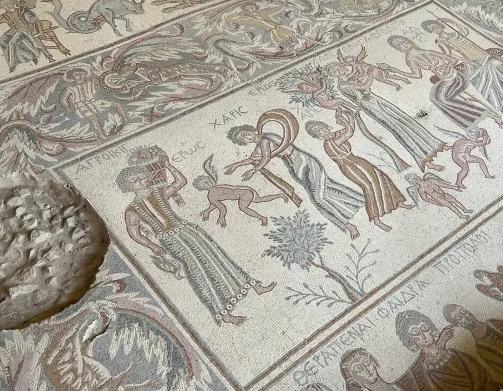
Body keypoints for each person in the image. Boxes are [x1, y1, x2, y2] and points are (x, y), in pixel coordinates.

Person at [118, 147, 274, 326]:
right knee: (198, 271)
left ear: (147, 176)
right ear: (127, 186)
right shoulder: (132, 210)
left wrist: (168, 165)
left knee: (217, 257)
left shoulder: (159, 192)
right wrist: (152, 245)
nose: (140, 181)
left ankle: (255, 286)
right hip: (171, 240)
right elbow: (134, 232)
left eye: (142, 177)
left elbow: (180, 182)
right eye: (134, 180)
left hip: (188, 229)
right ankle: (223, 313)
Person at [226, 122, 365, 238]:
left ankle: (348, 225)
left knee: (318, 198)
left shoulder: (267, 138)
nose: (246, 138)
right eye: (242, 139)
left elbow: (266, 157)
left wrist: (253, 170)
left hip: (305, 162)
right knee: (327, 188)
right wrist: (236, 165)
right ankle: (360, 201)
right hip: (295, 168)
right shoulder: (259, 146)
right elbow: (253, 158)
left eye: (245, 133)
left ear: (250, 130)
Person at [305, 113, 412, 233]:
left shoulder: (335, 134)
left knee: (381, 177)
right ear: (317, 136)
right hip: (349, 166)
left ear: (325, 125)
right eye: (317, 131)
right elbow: (348, 133)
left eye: (320, 126)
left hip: (357, 160)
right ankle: (376, 220)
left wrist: (350, 117)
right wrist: (343, 120)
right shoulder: (328, 144)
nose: (321, 129)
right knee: (368, 186)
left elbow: (351, 128)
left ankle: (398, 202)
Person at [385, 36, 499, 129]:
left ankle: (483, 114)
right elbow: (417, 75)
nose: (403, 45)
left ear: (409, 41)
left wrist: (448, 68)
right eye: (399, 45)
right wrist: (397, 72)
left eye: (403, 42)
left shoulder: (425, 51)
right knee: (436, 98)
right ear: (398, 49)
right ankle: (478, 115)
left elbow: (452, 59)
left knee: (440, 99)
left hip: (455, 77)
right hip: (446, 80)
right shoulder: (410, 59)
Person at [442, 304, 503, 386]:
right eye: (459, 317)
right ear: (458, 324)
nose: (465, 316)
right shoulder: (481, 348)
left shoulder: (494, 323)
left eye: (463, 311)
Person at [394, 310, 492, 390]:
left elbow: (480, 374)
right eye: (416, 332)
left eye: (424, 328)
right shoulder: (424, 367)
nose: (423, 336)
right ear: (410, 339)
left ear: (431, 329)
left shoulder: (453, 353)